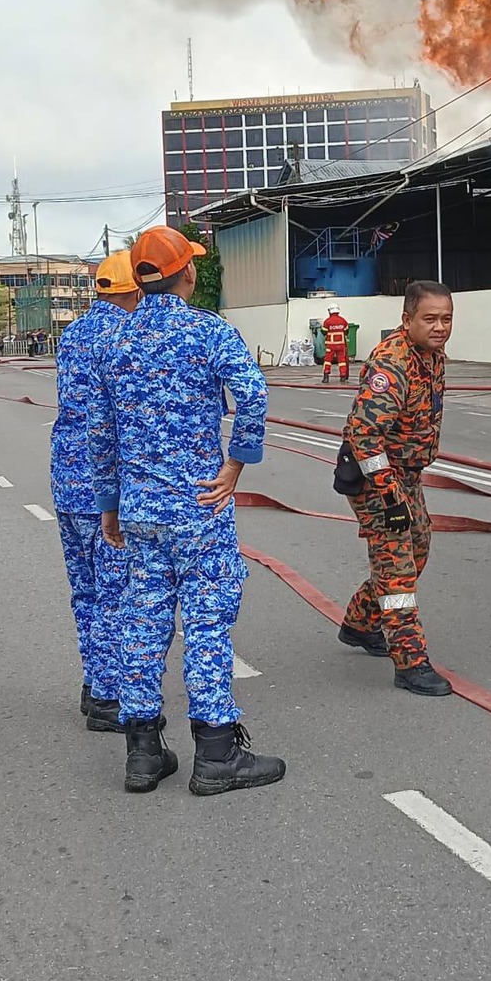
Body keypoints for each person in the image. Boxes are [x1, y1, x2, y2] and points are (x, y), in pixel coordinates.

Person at [90, 225, 284, 796]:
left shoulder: (115, 343)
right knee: (206, 623)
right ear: (188, 272)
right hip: (199, 507)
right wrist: (237, 463)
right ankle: (217, 754)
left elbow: (100, 431)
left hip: (140, 512)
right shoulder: (209, 333)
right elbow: (252, 394)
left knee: (144, 622)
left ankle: (144, 754)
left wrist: (109, 506)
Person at [337, 281, 453, 696]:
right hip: (375, 475)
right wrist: (388, 494)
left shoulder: (433, 358)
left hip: (407, 473)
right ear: (407, 320)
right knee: (397, 569)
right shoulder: (394, 363)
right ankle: (411, 661)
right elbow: (363, 435)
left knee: (418, 548)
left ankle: (359, 623)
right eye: (430, 318)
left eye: (446, 318)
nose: (440, 327)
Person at [50, 252, 140, 733]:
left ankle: (93, 682)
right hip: (104, 486)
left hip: (66, 478)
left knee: (86, 592)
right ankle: (108, 695)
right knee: (115, 593)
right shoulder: (125, 335)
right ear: (134, 289)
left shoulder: (74, 333)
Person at [320, 304, 351, 383]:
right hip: (341, 345)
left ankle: (326, 377)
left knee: (328, 360)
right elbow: (347, 331)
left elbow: (323, 332)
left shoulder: (327, 321)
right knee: (342, 360)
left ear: (330, 311)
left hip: (330, 345)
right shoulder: (343, 320)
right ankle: (343, 376)